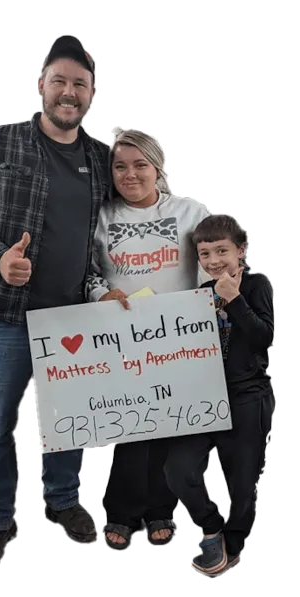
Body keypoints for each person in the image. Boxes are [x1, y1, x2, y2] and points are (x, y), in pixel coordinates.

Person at [0, 34, 111, 573]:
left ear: (91, 94)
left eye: (80, 85)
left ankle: (62, 500)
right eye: (60, 81)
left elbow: (128, 223)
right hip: (5, 317)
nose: (70, 92)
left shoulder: (100, 157)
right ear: (42, 85)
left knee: (70, 422)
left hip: (74, 318)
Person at [85, 127, 210, 550]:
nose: (130, 174)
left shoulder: (191, 213)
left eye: (140, 165)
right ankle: (120, 511)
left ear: (158, 169)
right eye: (120, 166)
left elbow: (214, 264)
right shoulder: (101, 215)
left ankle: (160, 510)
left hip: (181, 339)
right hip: (122, 339)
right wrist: (102, 292)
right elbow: (86, 272)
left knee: (169, 432)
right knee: (131, 429)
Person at [163, 214, 275, 576]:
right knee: (178, 470)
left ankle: (235, 540)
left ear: (240, 251)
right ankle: (212, 528)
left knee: (243, 485)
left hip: (248, 398)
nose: (214, 260)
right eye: (205, 253)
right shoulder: (199, 294)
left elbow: (263, 338)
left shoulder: (256, 285)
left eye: (222, 251)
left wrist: (236, 299)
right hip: (204, 397)